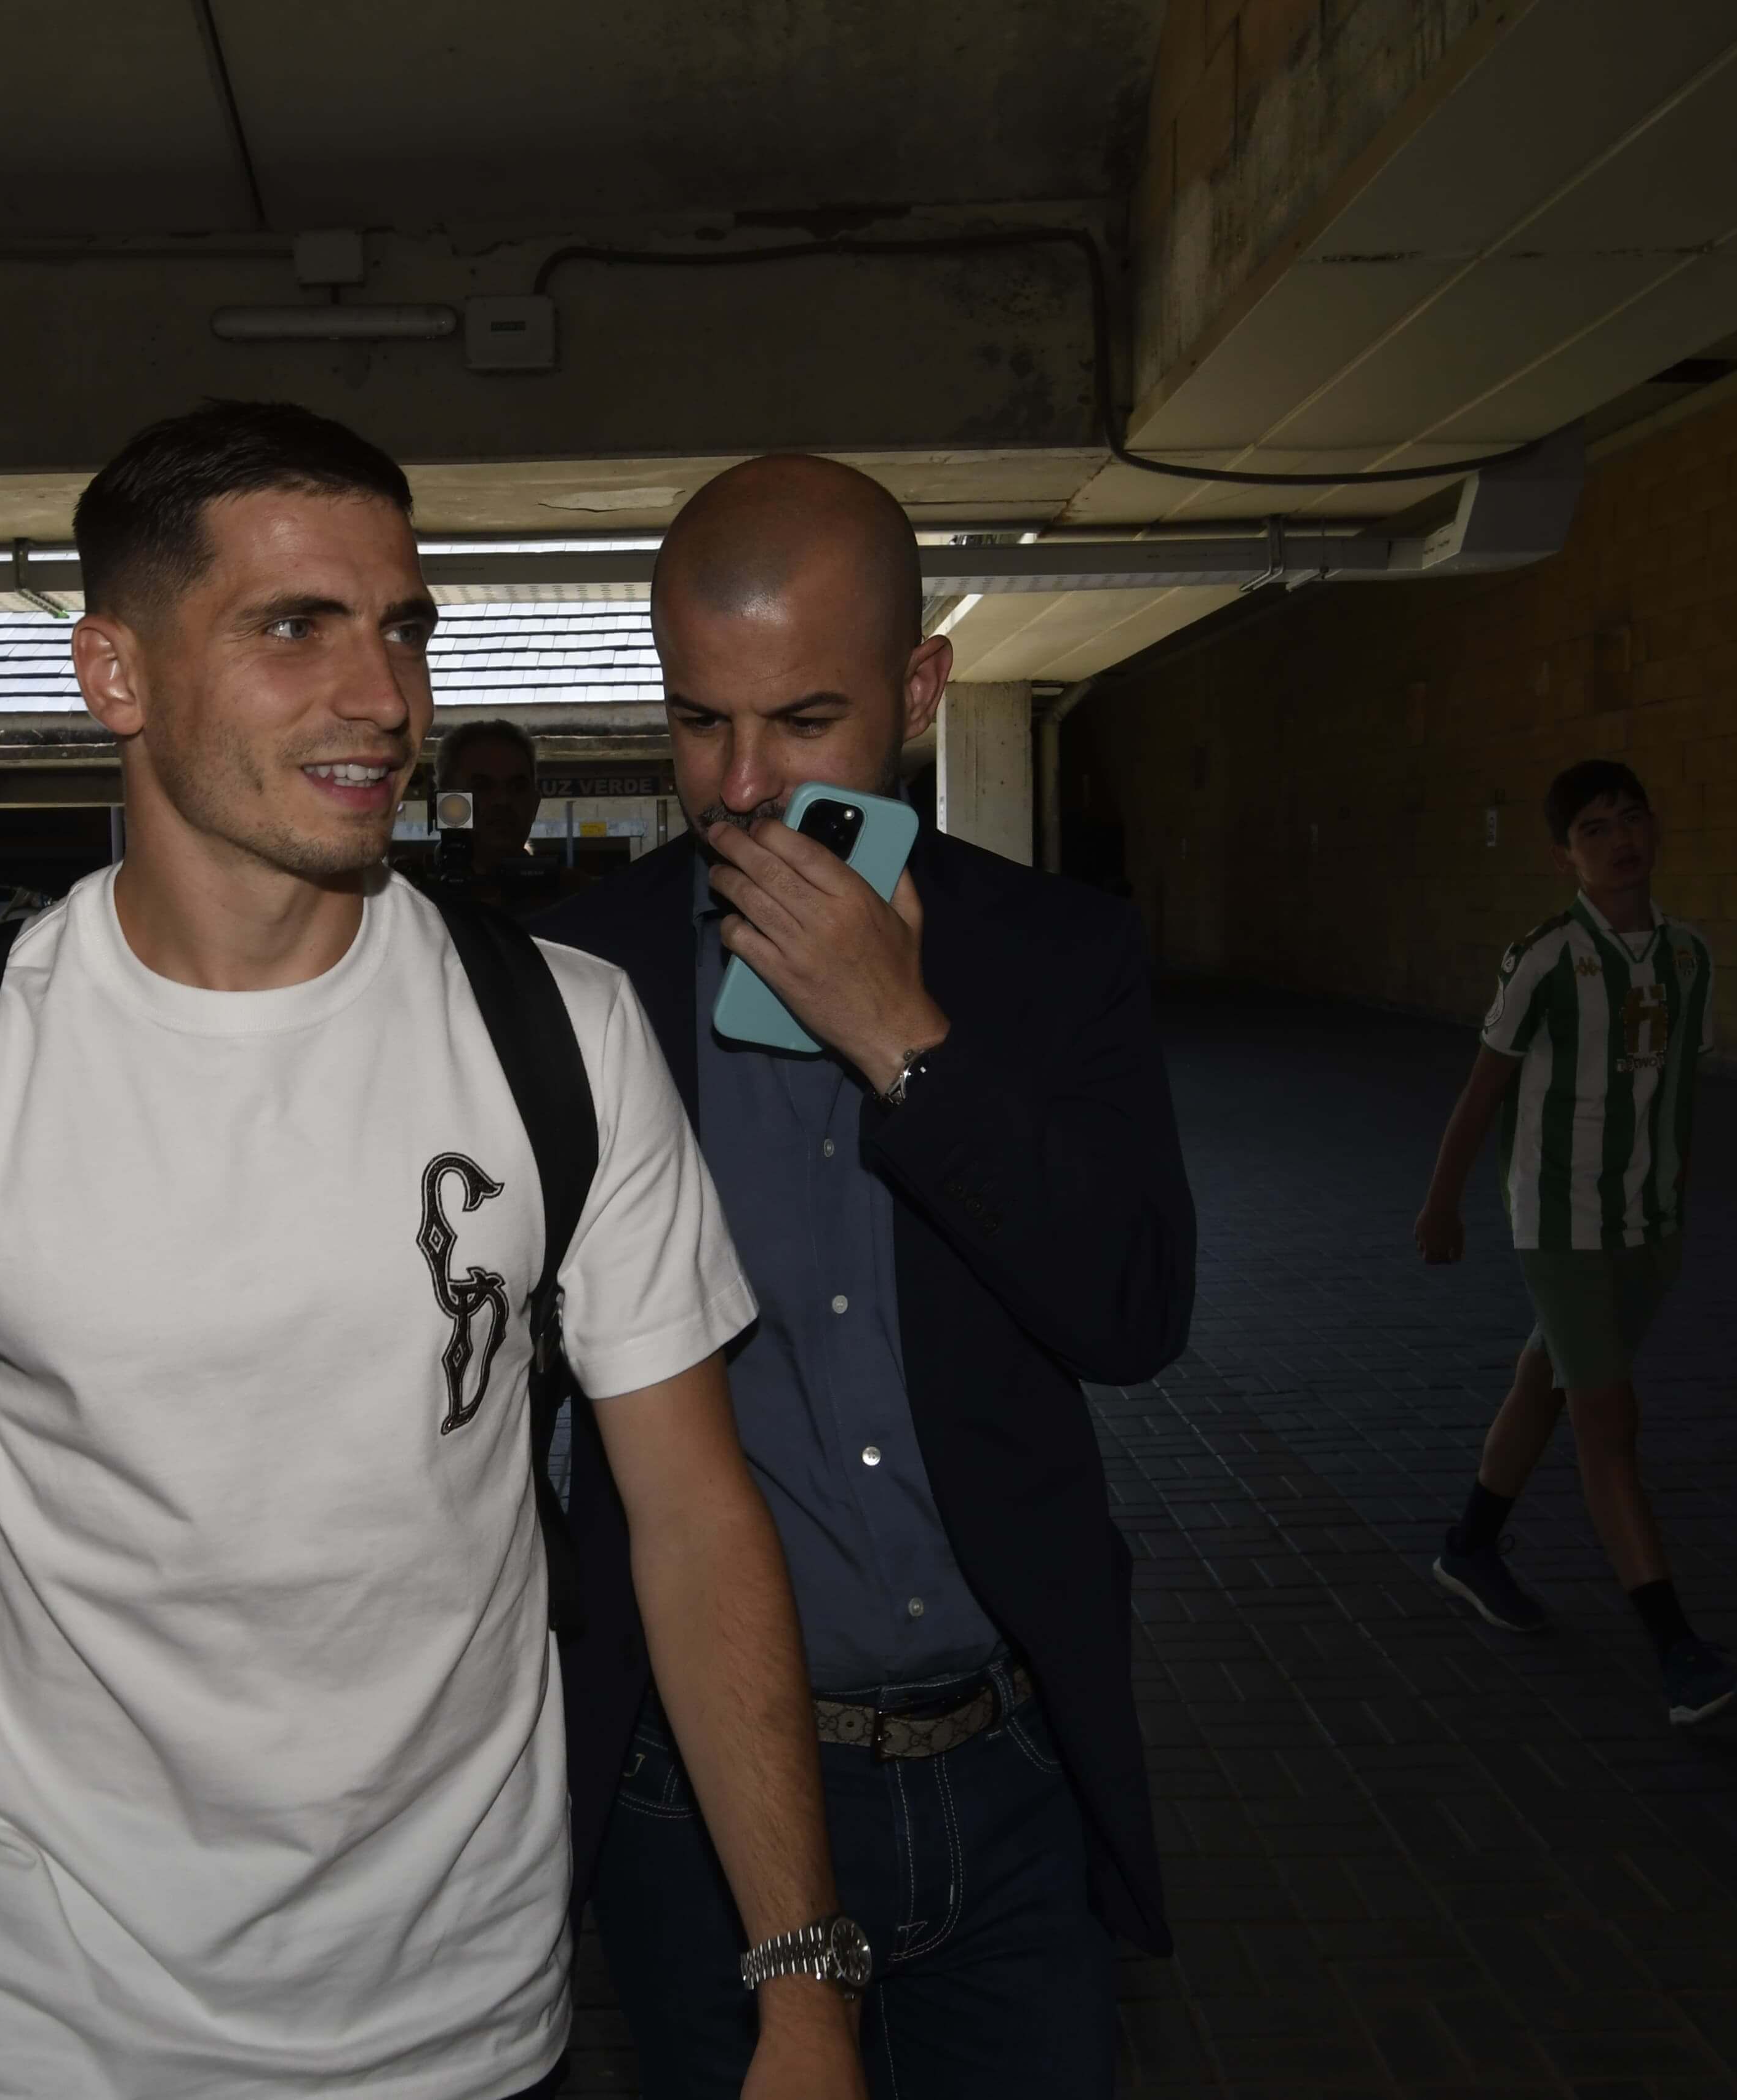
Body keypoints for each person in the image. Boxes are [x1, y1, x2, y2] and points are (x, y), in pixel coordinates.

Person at [0, 403, 865, 2100]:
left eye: (403, 628)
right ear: (117, 672)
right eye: (296, 627)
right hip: (44, 2032)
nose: (384, 696)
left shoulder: (561, 1037)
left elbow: (694, 1519)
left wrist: (801, 1981)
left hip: (462, 2025)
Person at [538, 454, 1196, 2095]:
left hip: (1012, 1764)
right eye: (700, 721)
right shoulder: (578, 979)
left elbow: (1130, 1312)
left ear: (918, 689)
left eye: (805, 719)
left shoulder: (1057, 955)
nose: (743, 783)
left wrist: (909, 1039)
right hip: (689, 1793)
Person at [1411, 758, 1737, 1728]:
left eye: (1632, 819)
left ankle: (1470, 1546)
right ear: (1565, 854)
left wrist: (1670, 1195)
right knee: (1610, 1422)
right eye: (1595, 829)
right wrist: (1442, 1203)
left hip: (1648, 1224)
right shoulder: (1548, 958)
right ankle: (1678, 1652)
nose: (1620, 841)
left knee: (1549, 1380)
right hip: (1560, 1221)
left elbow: (1678, 1088)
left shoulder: (1689, 957)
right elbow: (1484, 1088)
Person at [436, 716, 591, 919]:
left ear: (535, 804)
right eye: (482, 786)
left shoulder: (578, 898)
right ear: (446, 802)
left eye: (518, 788)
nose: (503, 801)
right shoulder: (412, 900)